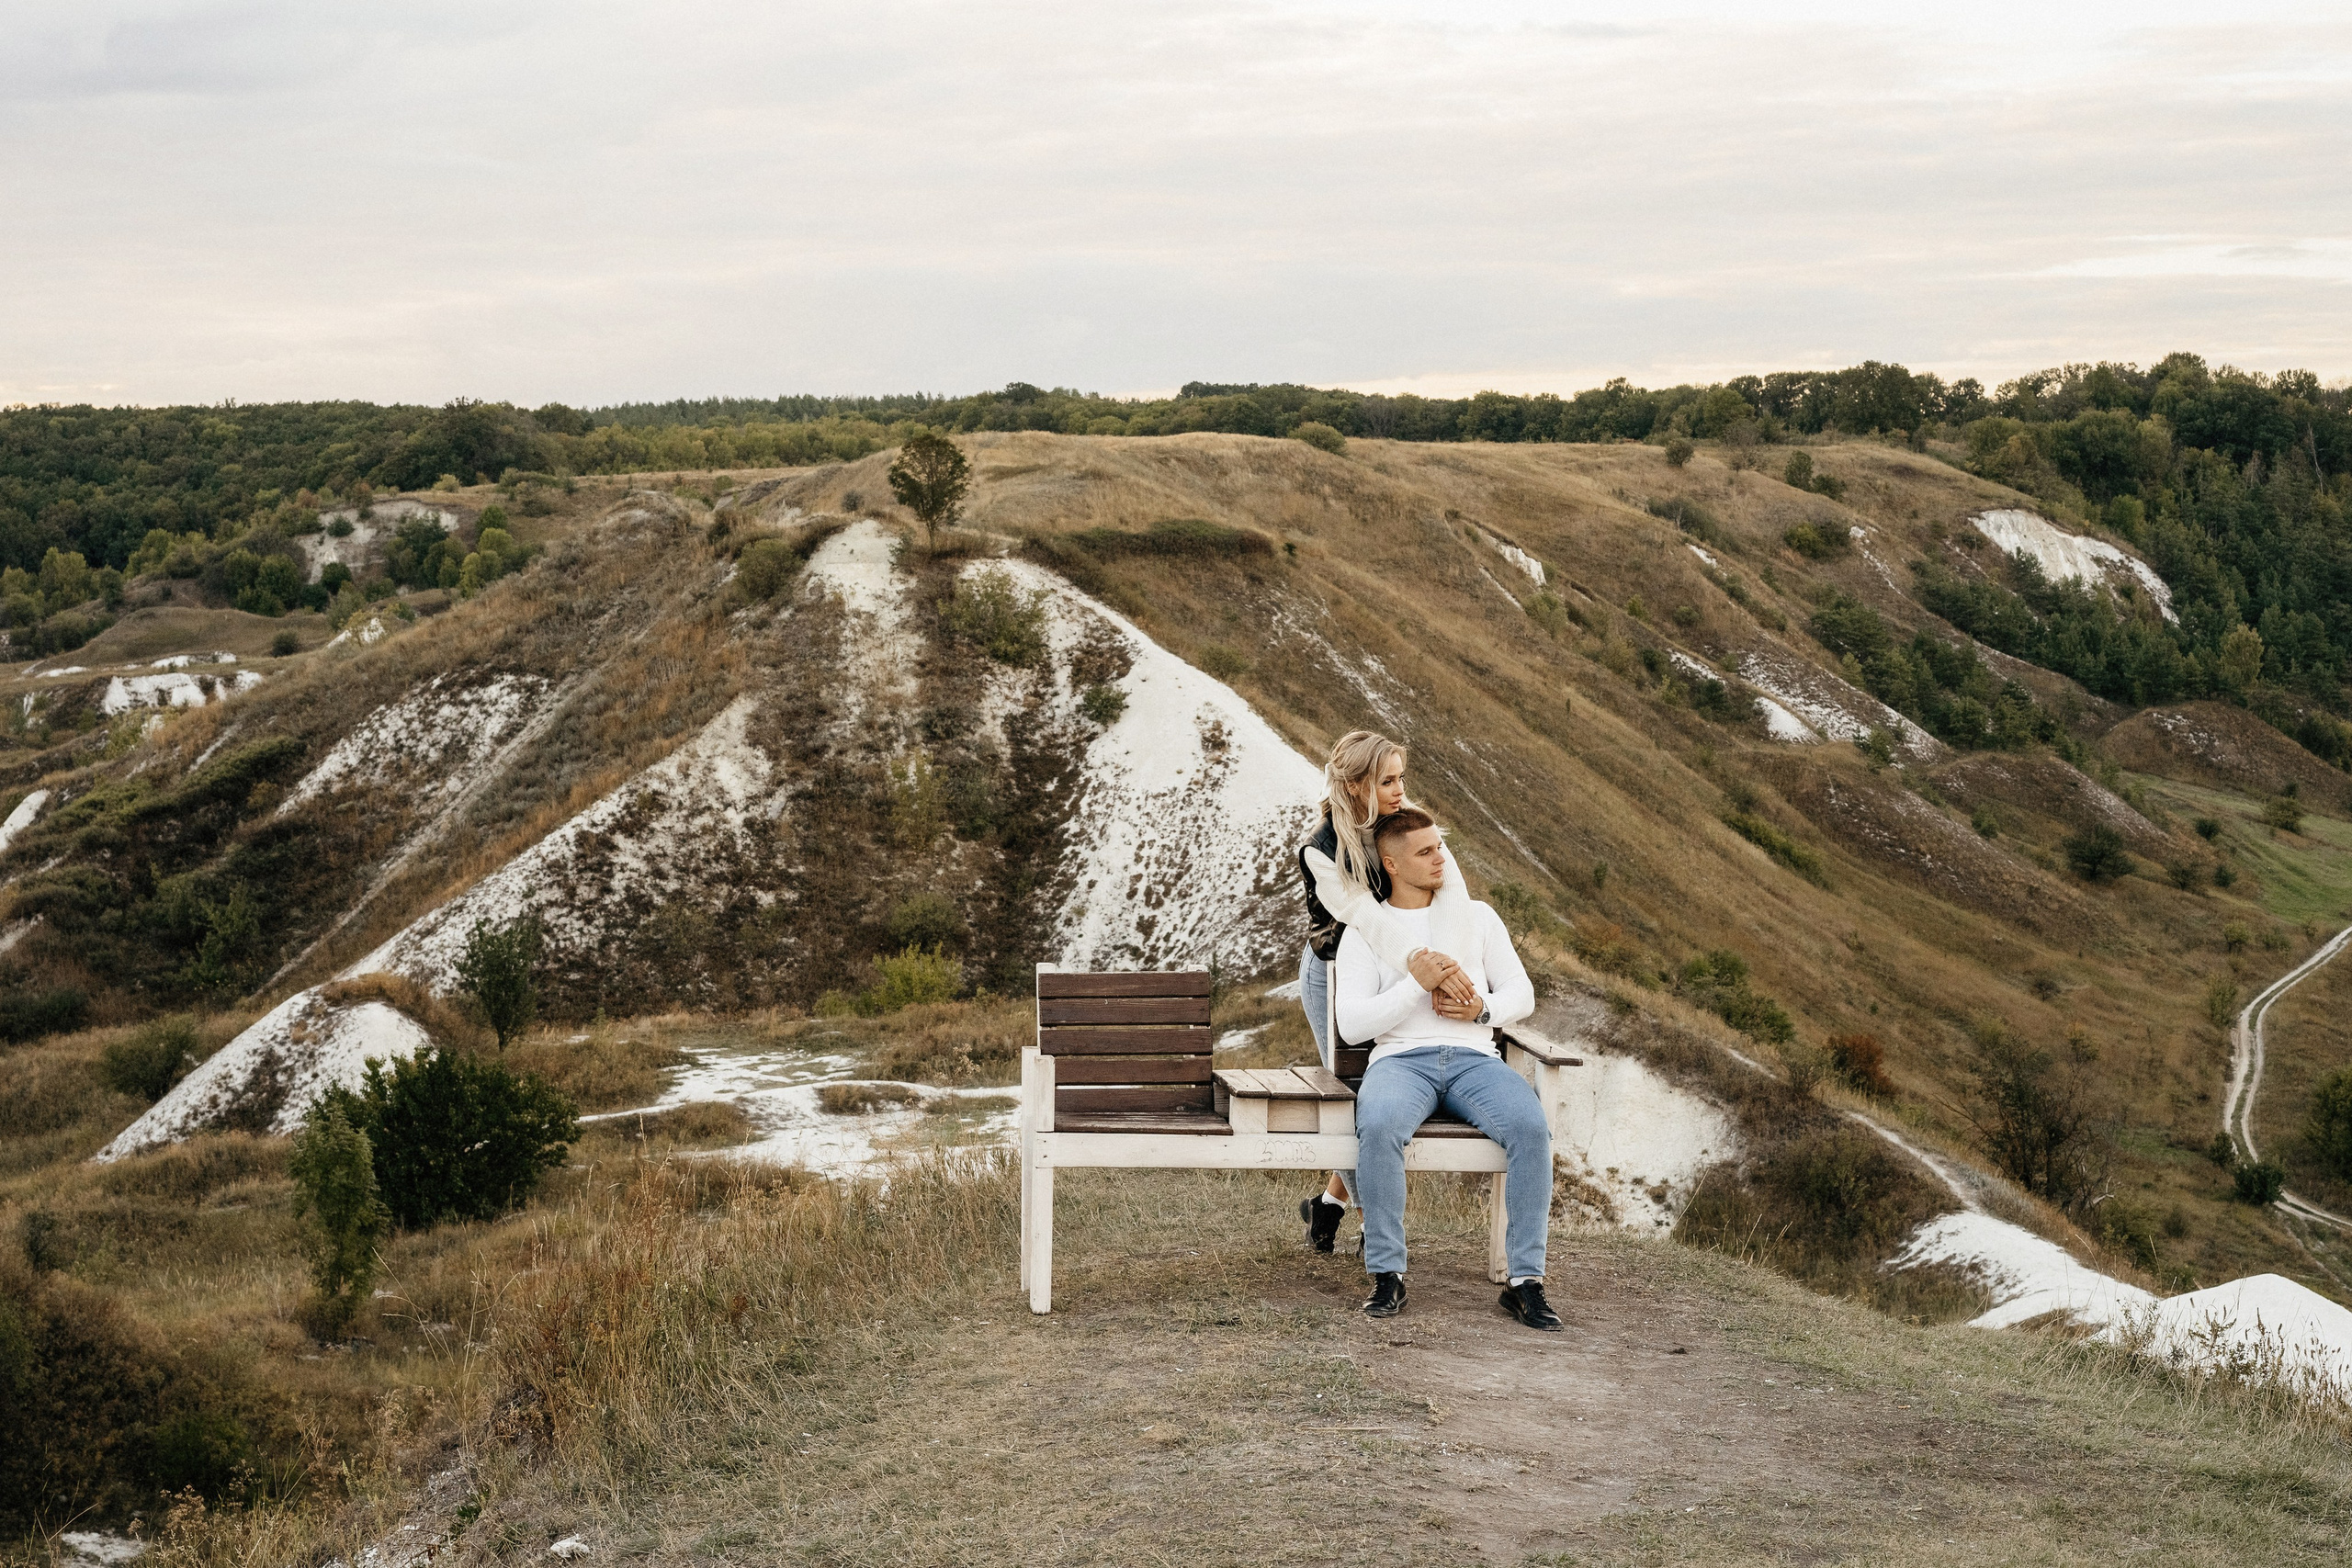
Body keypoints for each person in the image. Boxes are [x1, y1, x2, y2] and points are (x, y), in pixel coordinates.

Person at [1333, 807, 1561, 1331]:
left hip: (1474, 1060)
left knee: (1531, 1128)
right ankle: (1387, 1275)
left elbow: (1521, 993)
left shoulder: (1476, 916)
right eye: (1426, 851)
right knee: (1382, 1126)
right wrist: (1416, 982)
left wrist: (1480, 1010)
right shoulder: (1366, 930)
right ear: (1391, 863)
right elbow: (1352, 1025)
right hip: (1399, 1061)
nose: (1442, 858)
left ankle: (1525, 1282)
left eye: (1440, 846)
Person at [1295, 732, 1480, 1253]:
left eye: (1402, 778)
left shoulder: (1405, 818)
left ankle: (1326, 1209)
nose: (1401, 791)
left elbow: (1453, 893)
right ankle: (1371, 1223)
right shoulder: (1321, 849)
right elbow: (1369, 921)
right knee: (1349, 1094)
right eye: (1388, 781)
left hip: (1411, 971)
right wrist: (1429, 969)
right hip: (1338, 975)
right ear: (1356, 786)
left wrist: (1449, 965)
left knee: (1371, 1097)